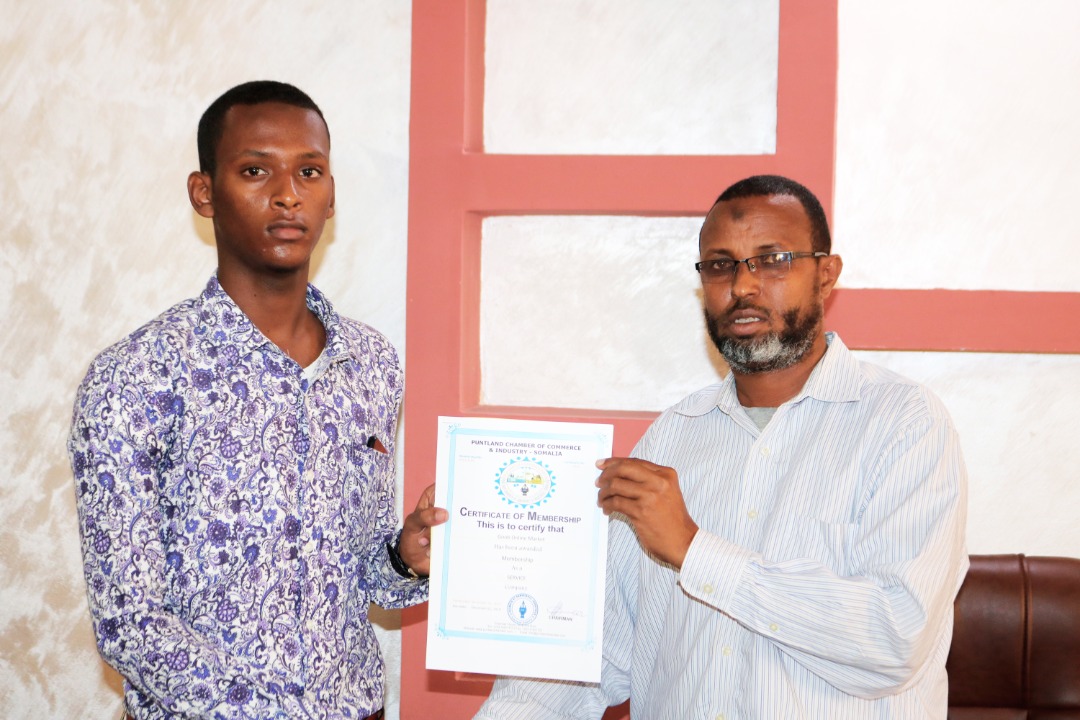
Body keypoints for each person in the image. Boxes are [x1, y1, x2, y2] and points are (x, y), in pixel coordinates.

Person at [476, 175, 968, 719]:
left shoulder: (903, 423)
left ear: (826, 275)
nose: (743, 286)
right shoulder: (673, 436)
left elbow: (893, 640)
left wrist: (694, 550)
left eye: (773, 259)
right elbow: (588, 648)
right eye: (720, 264)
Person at [68, 80, 447, 720]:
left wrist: (405, 557)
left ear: (331, 198)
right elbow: (129, 622)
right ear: (205, 193)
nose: (287, 194)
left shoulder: (371, 364)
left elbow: (368, 586)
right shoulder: (134, 377)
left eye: (309, 171)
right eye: (254, 170)